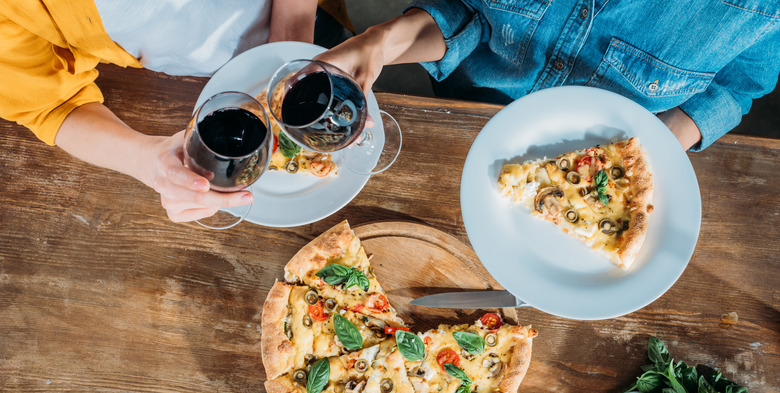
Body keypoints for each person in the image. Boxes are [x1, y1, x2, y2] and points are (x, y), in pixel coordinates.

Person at [0, 0, 350, 223]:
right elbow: (52, 106)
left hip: (309, 21)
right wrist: (150, 160)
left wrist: (293, 36)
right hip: (206, 82)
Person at [316, 1, 780, 152]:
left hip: (609, 147)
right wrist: (382, 39)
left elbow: (738, 86)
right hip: (467, 110)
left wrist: (645, 154)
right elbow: (471, 17)